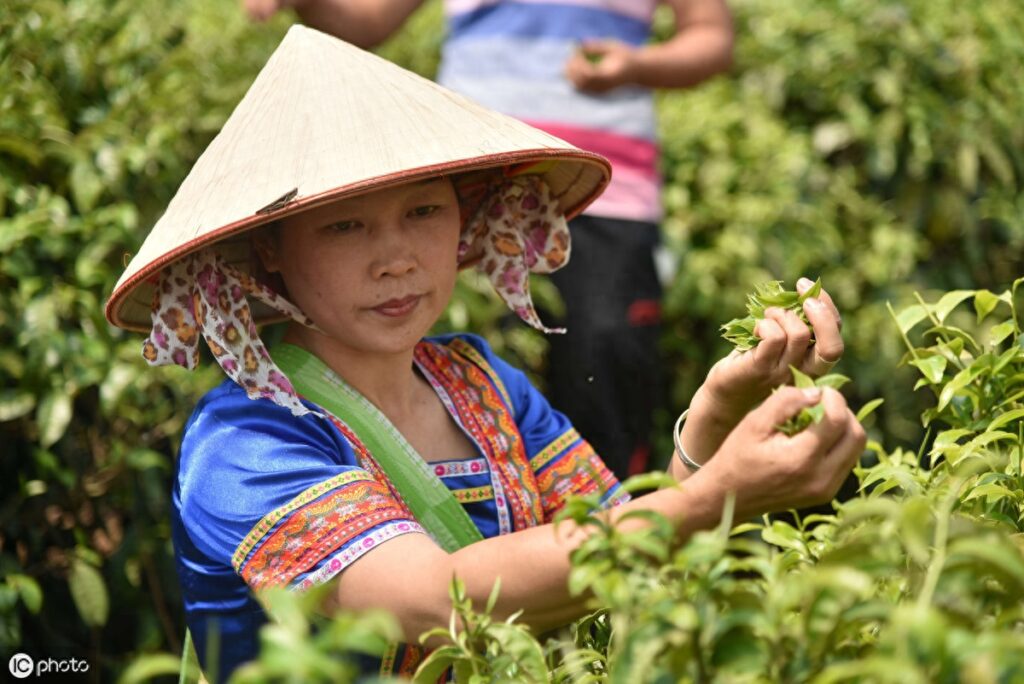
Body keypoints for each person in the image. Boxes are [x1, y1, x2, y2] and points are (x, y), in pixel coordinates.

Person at [105, 27, 863, 682]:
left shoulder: (479, 382)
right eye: (345, 228)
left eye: (424, 211)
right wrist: (710, 500)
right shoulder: (247, 437)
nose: (395, 258)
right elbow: (436, 604)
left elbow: (614, 550)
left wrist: (715, 418)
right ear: (269, 254)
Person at [242, 0, 735, 479]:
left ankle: (613, 527)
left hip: (611, 193)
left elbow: (710, 35)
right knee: (482, 371)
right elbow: (367, 18)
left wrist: (636, 65)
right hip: (477, 189)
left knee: (604, 364)